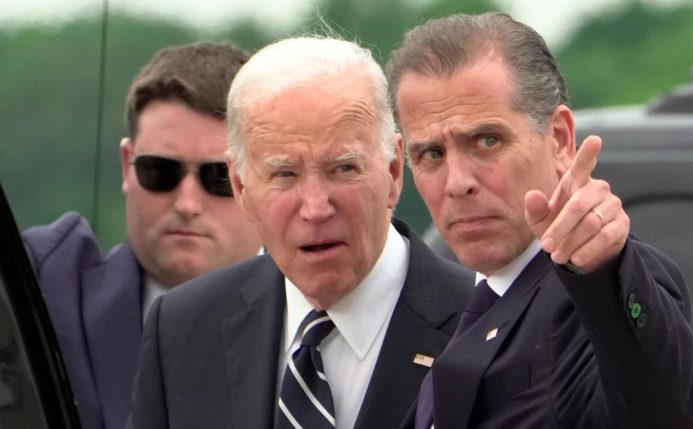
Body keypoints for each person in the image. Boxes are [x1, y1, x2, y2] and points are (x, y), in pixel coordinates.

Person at [387, 13, 693, 428]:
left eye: (488, 141)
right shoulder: (456, 307)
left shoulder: (595, 289)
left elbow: (666, 414)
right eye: (432, 154)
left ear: (559, 139)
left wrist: (602, 271)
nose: (457, 183)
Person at [128, 36, 473, 429]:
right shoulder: (184, 329)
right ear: (241, 187)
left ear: (393, 171)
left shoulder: (486, 326)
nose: (315, 208)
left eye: (342, 169)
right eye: (284, 174)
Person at [22, 42, 262, 429]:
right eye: (160, 171)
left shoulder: (321, 316)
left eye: (218, 177)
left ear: (261, 177)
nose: (187, 202)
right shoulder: (42, 289)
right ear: (126, 166)